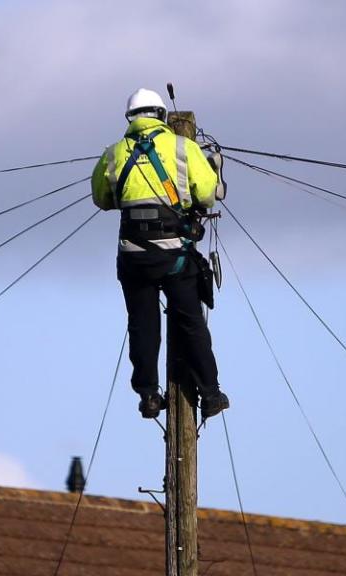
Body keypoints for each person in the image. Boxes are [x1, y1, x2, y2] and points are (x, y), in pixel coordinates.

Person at [91, 88, 229, 420]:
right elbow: (208, 194)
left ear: (130, 119)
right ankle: (210, 394)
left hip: (133, 256)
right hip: (175, 255)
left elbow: (101, 198)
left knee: (142, 323)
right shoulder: (183, 147)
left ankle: (149, 395)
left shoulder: (113, 154)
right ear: (163, 115)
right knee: (190, 321)